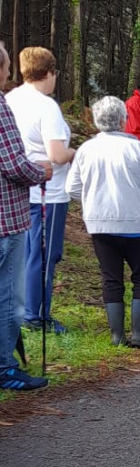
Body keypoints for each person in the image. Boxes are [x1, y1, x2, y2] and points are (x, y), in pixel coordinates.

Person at [67, 96, 140, 347]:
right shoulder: (136, 148)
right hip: (135, 223)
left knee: (111, 277)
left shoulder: (86, 149)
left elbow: (72, 189)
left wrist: (92, 200)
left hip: (99, 224)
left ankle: (116, 336)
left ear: (96, 120)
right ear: (124, 120)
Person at [5, 47, 74, 334]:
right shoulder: (46, 107)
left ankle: (22, 310)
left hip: (19, 189)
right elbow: (57, 155)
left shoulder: (11, 98)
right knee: (45, 255)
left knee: (26, 254)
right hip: (49, 191)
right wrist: (78, 151)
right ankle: (36, 315)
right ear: (50, 73)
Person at [0, 41, 52, 390]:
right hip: (6, 218)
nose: (7, 74)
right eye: (4, 68)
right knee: (7, 296)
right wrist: (41, 172)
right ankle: (5, 368)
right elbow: (12, 163)